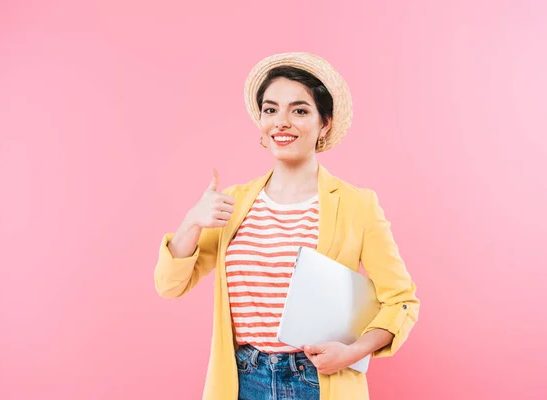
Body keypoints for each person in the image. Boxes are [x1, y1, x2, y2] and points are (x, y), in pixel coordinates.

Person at [154, 52, 421, 400]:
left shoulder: (358, 205)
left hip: (317, 380)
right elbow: (170, 286)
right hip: (243, 379)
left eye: (299, 110)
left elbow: (401, 301)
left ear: (324, 123)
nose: (281, 121)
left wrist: (353, 352)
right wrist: (192, 221)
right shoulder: (231, 203)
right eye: (270, 109)